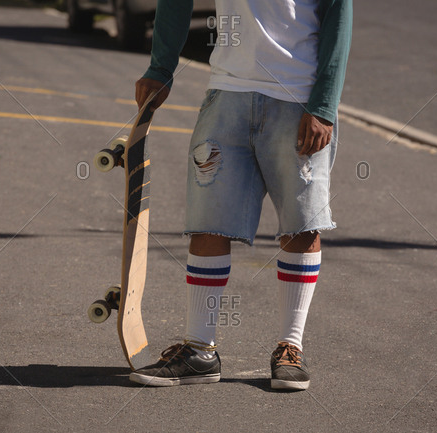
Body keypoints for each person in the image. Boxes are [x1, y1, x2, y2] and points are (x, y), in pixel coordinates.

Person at [130, 0, 352, 390]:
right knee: (209, 221)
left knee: (302, 224)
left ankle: (290, 347)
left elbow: (339, 15)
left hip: (299, 96)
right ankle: (200, 350)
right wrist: (161, 66)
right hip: (227, 91)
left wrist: (324, 104)